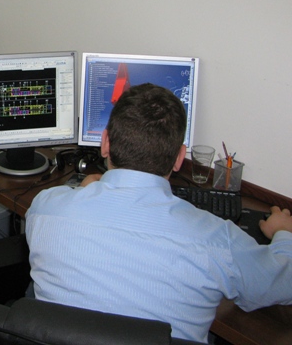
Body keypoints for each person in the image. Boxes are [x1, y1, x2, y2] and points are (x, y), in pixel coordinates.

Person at [25, 83, 292, 344]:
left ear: (105, 143)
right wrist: (283, 233)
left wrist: (82, 192)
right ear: (179, 158)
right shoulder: (216, 240)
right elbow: (281, 285)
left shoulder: (45, 208)